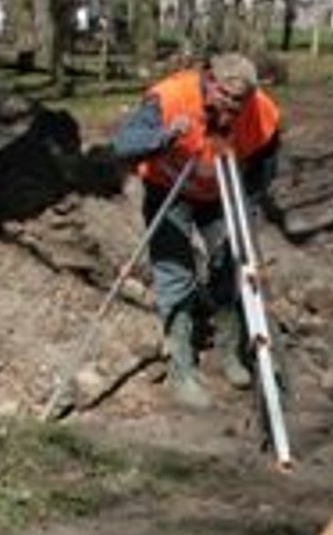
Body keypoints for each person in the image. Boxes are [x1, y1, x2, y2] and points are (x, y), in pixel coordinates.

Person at [111, 52, 282, 410]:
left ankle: (231, 350)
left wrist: (250, 201)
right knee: (175, 273)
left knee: (231, 265)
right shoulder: (170, 97)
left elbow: (266, 160)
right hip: (169, 191)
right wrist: (163, 138)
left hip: (220, 191)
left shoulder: (261, 112)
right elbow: (123, 144)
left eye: (240, 101)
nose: (232, 107)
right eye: (225, 97)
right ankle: (181, 370)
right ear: (208, 80)